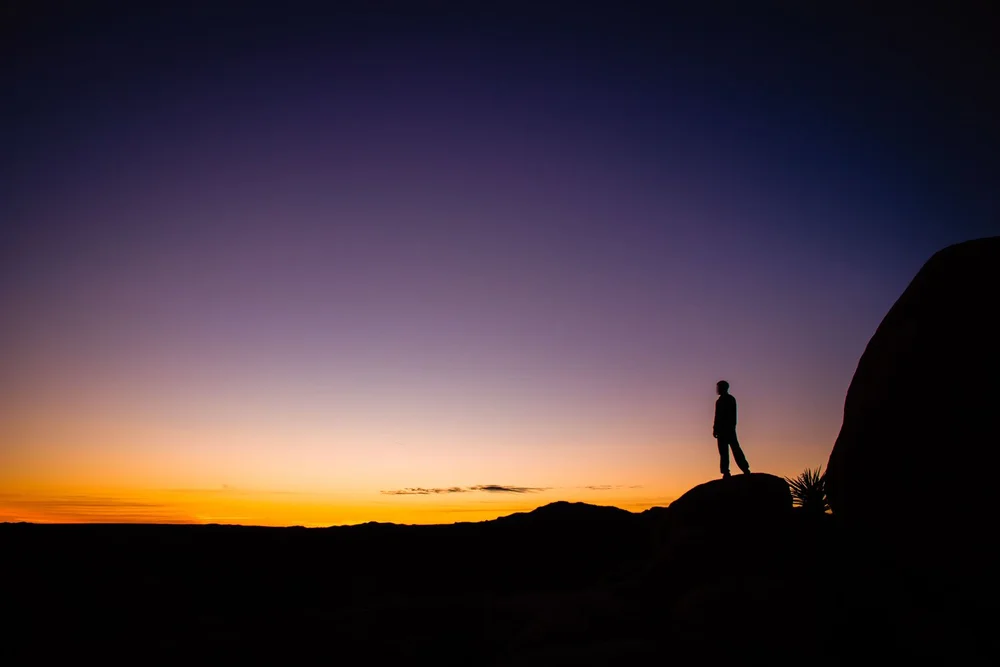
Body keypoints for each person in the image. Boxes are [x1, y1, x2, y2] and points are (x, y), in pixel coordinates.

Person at [714, 380, 750, 477]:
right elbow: (717, 416)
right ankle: (725, 472)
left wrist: (731, 426)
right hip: (721, 430)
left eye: (718, 387)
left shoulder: (730, 399)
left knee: (735, 449)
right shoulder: (719, 401)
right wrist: (715, 428)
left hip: (728, 429)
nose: (717, 389)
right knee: (723, 452)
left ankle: (745, 468)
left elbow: (733, 415)